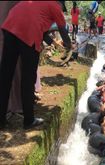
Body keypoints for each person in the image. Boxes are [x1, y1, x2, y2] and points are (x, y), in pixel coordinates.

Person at [0, 1, 72, 130]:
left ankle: (1, 120)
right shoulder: (55, 6)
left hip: (10, 29)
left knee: (5, 77)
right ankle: (29, 120)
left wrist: (53, 44)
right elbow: (63, 30)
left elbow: (43, 31)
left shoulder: (39, 4)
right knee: (28, 80)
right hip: (28, 33)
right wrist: (70, 47)